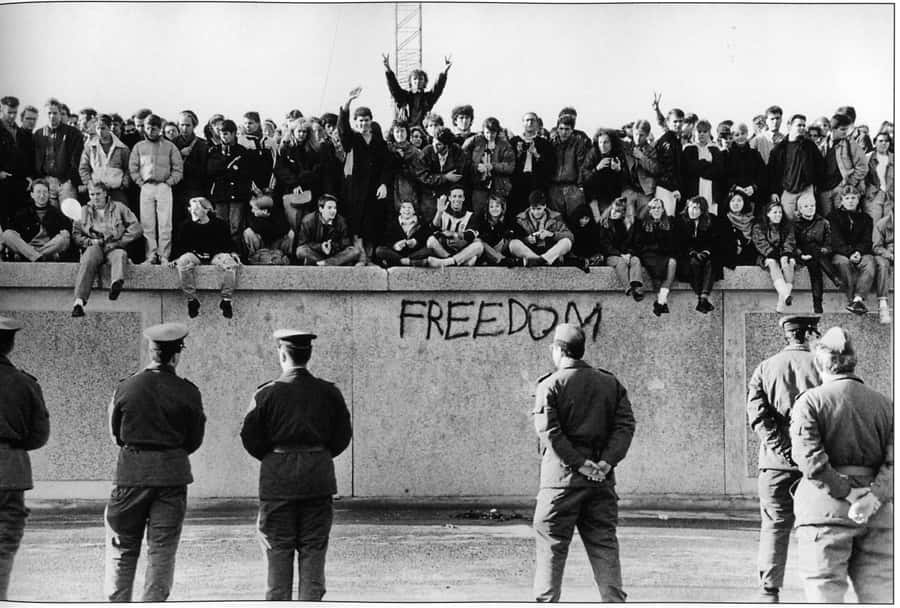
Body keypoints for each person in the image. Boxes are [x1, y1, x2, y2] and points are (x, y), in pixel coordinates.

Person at [240, 330, 352, 601]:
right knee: (314, 553)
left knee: (277, 554)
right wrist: (316, 456)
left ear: (282, 354)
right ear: (309, 354)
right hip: (318, 478)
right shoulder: (329, 393)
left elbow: (250, 438)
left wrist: (277, 458)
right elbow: (342, 437)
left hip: (278, 481)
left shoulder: (265, 394)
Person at [532, 322, 635, 602]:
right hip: (600, 482)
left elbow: (550, 433)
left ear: (559, 350)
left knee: (551, 547)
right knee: (604, 546)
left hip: (560, 483)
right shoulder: (610, 383)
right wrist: (606, 463)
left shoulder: (549, 385)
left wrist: (578, 464)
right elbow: (625, 426)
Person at [790, 327, 893, 603]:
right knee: (881, 594)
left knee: (824, 593)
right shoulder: (886, 405)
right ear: (854, 360)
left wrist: (846, 493)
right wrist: (872, 497)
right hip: (878, 514)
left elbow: (809, 459)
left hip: (824, 512)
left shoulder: (809, 403)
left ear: (819, 363)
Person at [104, 322, 206, 602]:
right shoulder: (189, 392)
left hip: (131, 475)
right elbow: (194, 439)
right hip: (171, 477)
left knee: (122, 549)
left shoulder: (126, 387)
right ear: (177, 354)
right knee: (162, 550)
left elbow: (116, 435)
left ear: (151, 351)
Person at [746, 314, 821, 603]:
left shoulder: (765, 368)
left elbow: (758, 417)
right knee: (818, 527)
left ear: (787, 335)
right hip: (816, 463)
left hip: (775, 464)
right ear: (811, 332)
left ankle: (769, 591)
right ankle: (819, 587)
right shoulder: (825, 366)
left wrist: (784, 450)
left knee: (775, 525)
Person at [0, 316, 50, 601]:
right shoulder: (25, 383)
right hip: (10, 470)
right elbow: (39, 434)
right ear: (11, 344)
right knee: (4, 543)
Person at [71, 181, 142, 318]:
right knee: (89, 257)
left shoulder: (119, 207)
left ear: (105, 194)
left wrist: (120, 242)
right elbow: (76, 235)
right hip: (95, 246)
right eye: (92, 194)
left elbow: (136, 227)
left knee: (120, 255)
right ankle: (79, 302)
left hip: (113, 245)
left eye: (98, 194)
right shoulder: (83, 211)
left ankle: (116, 284)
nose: (95, 197)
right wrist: (90, 241)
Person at [338, 86, 391, 264]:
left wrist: (384, 184)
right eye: (360, 121)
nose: (363, 124)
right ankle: (359, 256)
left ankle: (369, 256)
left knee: (372, 223)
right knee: (356, 225)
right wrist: (348, 103)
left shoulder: (379, 143)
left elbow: (386, 166)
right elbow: (343, 129)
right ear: (356, 122)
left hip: (374, 190)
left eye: (366, 121)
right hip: (355, 191)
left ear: (371, 121)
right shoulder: (352, 139)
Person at [170, 197, 240, 318]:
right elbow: (180, 246)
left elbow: (227, 242)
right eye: (191, 209)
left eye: (197, 208)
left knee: (230, 264)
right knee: (183, 263)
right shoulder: (186, 226)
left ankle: (226, 300)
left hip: (215, 254)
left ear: (207, 210)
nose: (193, 211)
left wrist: (233, 253)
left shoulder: (219, 224)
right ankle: (192, 300)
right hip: (195, 255)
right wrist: (176, 259)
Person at [128, 114, 184, 264]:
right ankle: (150, 255)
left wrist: (169, 182)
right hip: (146, 187)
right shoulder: (139, 147)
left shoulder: (170, 146)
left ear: (160, 129)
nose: (151, 131)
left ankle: (164, 255)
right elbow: (133, 168)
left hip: (163, 186)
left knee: (165, 223)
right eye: (148, 128)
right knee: (147, 223)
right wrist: (140, 182)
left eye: (154, 128)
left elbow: (178, 168)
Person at [828, 186, 875, 315]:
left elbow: (867, 241)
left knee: (870, 262)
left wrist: (858, 252)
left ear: (858, 199)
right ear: (842, 200)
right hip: (841, 252)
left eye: (853, 198)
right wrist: (849, 253)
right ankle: (851, 299)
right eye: (847, 198)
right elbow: (835, 240)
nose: (850, 201)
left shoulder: (866, 218)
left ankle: (858, 298)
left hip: (860, 253)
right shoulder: (833, 217)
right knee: (843, 263)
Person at [766, 114, 822, 222]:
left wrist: (814, 184)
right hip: (787, 191)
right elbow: (772, 173)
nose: (802, 128)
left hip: (806, 189)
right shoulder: (779, 149)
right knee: (788, 221)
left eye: (803, 125)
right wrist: (774, 191)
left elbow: (820, 166)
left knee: (807, 220)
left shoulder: (809, 146)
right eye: (798, 125)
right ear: (789, 126)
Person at [0, 179, 71, 262]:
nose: (42, 195)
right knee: (7, 234)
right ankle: (36, 256)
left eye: (45, 192)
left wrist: (64, 233)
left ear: (48, 194)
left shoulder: (56, 213)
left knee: (65, 237)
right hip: (27, 247)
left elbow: (65, 237)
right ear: (32, 195)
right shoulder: (22, 213)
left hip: (49, 248)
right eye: (38, 192)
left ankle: (34, 256)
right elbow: (13, 235)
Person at [207, 119, 251, 251]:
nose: (223, 137)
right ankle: (221, 253)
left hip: (237, 195)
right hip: (220, 195)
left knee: (236, 227)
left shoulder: (242, 152)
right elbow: (211, 171)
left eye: (226, 133)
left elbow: (245, 174)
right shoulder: (213, 152)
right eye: (221, 133)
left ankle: (236, 253)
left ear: (234, 134)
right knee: (221, 226)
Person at [32, 97, 83, 207]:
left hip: (65, 182)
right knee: (50, 216)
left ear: (60, 113)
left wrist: (70, 180)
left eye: (55, 113)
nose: (52, 116)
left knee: (68, 214)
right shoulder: (39, 134)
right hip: (47, 182)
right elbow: (36, 158)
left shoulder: (73, 133)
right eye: (49, 113)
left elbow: (76, 159)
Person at [273, 118, 323, 230]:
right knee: (293, 225)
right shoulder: (285, 148)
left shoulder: (313, 150)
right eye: (299, 131)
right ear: (293, 131)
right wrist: (294, 183)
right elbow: (280, 169)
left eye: (304, 131)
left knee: (307, 225)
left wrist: (304, 178)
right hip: (290, 192)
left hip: (310, 192)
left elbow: (316, 171)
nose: (301, 134)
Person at [462, 117, 515, 218]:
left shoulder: (504, 145)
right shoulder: (475, 141)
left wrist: (493, 166)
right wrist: (476, 166)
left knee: (498, 215)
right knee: (478, 214)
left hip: (499, 187)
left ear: (497, 132)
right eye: (487, 132)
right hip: (479, 186)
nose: (490, 136)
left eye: (493, 133)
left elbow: (510, 166)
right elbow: (463, 158)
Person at [817, 113, 868, 218]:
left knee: (843, 220)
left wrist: (849, 182)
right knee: (827, 222)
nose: (846, 132)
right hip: (824, 190)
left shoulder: (850, 144)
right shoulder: (822, 144)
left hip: (840, 188)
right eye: (842, 129)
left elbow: (863, 167)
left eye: (847, 129)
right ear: (833, 129)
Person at [675, 196, 719, 313]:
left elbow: (714, 241)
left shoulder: (710, 220)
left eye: (696, 209)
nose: (692, 211)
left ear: (702, 211)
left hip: (705, 254)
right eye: (691, 207)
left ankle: (703, 298)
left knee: (711, 263)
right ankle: (702, 298)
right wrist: (692, 253)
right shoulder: (680, 220)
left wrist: (706, 252)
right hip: (686, 256)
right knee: (693, 263)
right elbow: (678, 243)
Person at [634, 198, 678, 316]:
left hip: (665, 253)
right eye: (653, 208)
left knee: (672, 262)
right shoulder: (642, 224)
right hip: (649, 254)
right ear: (649, 210)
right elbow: (639, 244)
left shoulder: (670, 222)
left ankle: (660, 300)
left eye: (659, 207)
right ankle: (661, 303)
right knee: (657, 268)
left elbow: (674, 243)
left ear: (663, 209)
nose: (656, 210)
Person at [795, 196, 839, 314]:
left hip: (821, 255)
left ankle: (817, 304)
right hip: (803, 256)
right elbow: (794, 245)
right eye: (806, 206)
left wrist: (822, 250)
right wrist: (800, 255)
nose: (810, 208)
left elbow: (829, 243)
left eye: (812, 206)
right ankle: (835, 277)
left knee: (815, 259)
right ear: (800, 209)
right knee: (812, 253)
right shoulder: (795, 225)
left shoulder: (823, 222)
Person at [382, 52, 451, 127]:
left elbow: (438, 88)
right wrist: (388, 69)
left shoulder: (428, 98)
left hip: (422, 131)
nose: (417, 81)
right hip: (406, 130)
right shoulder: (403, 96)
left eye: (421, 79)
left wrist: (444, 71)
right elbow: (394, 86)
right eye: (415, 79)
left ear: (425, 82)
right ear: (410, 82)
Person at [751, 201, 797, 313]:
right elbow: (760, 243)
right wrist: (772, 253)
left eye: (780, 212)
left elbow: (790, 241)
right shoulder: (759, 227)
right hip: (766, 254)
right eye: (775, 212)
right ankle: (786, 294)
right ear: (768, 214)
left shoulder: (787, 226)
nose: (778, 215)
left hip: (784, 254)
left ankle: (783, 300)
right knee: (772, 262)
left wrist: (785, 254)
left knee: (789, 261)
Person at [508, 190, 573, 267]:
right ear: (529, 207)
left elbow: (570, 236)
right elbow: (516, 238)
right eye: (533, 209)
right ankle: (540, 260)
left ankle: (541, 260)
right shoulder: (521, 219)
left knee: (567, 242)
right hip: (529, 251)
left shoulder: (555, 217)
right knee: (513, 244)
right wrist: (527, 240)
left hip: (550, 251)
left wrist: (551, 235)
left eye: (539, 209)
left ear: (545, 206)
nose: (535, 212)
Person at [419, 126, 469, 224]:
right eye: (433, 142)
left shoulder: (457, 152)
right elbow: (423, 177)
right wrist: (445, 177)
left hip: (450, 193)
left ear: (447, 146)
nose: (434, 146)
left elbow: (458, 176)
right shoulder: (426, 152)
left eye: (439, 145)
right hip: (430, 193)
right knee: (430, 221)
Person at [597, 197, 644, 301]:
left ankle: (637, 287)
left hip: (627, 254)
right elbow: (605, 246)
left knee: (636, 260)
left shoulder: (630, 225)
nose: (613, 212)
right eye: (613, 209)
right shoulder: (605, 223)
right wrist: (621, 254)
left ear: (623, 213)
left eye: (617, 211)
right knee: (621, 262)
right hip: (611, 256)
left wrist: (629, 254)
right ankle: (628, 288)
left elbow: (636, 244)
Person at [79, 114, 131, 204]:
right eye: (98, 128)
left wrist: (124, 182)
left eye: (103, 128)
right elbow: (83, 167)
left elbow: (128, 168)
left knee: (120, 212)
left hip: (116, 190)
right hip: (96, 191)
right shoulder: (90, 147)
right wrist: (89, 183)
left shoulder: (122, 148)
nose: (100, 132)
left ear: (109, 128)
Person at [295, 194, 361, 266]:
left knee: (355, 251)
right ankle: (329, 263)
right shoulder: (308, 221)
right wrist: (321, 247)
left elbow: (345, 243)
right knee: (300, 251)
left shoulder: (341, 221)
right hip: (317, 253)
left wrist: (332, 247)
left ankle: (325, 263)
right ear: (321, 209)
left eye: (335, 208)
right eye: (329, 208)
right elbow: (303, 243)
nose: (333, 211)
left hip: (335, 254)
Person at [509, 113, 555, 215]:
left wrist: (536, 154)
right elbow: (509, 164)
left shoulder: (544, 143)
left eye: (532, 120)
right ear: (523, 123)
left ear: (537, 123)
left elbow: (550, 166)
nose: (529, 123)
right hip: (518, 183)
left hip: (536, 184)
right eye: (527, 120)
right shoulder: (514, 141)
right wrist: (519, 154)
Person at [424, 189, 483, 267]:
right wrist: (439, 212)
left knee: (479, 245)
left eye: (460, 196)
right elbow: (433, 229)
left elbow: (471, 234)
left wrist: (455, 235)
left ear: (463, 198)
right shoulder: (442, 212)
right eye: (454, 196)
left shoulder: (470, 215)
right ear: (450, 198)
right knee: (430, 241)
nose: (457, 199)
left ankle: (448, 262)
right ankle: (457, 260)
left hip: (463, 249)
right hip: (445, 250)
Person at [172, 110, 209, 229]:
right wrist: (179, 154)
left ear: (194, 126)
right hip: (176, 189)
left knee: (195, 220)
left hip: (194, 189)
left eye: (188, 125)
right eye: (182, 125)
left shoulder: (202, 144)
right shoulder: (172, 144)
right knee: (176, 220)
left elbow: (204, 169)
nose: (184, 128)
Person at [548, 114, 587, 222]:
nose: (564, 132)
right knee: (556, 220)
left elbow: (581, 165)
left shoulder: (578, 143)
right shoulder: (552, 143)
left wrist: (580, 186)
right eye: (561, 129)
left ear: (572, 130)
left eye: (567, 129)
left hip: (572, 187)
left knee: (575, 219)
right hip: (554, 187)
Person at [681, 120, 726, 215]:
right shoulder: (689, 149)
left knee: (710, 217)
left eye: (705, 132)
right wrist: (708, 164)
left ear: (709, 133)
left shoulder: (715, 150)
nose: (702, 134)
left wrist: (699, 165)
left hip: (710, 190)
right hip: (694, 190)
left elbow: (718, 171)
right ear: (694, 133)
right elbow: (689, 169)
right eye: (699, 131)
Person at [580, 130, 626, 221]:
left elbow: (626, 179)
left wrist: (618, 170)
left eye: (606, 142)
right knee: (598, 222)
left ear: (612, 143)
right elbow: (584, 177)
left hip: (612, 196)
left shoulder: (619, 154)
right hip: (594, 196)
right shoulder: (592, 154)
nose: (603, 146)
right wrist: (597, 169)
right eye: (600, 142)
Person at [620, 119, 658, 226]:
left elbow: (655, 169)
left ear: (647, 135)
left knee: (643, 220)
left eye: (641, 135)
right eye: (636, 134)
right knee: (628, 221)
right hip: (628, 189)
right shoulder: (627, 146)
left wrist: (641, 157)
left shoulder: (651, 150)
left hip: (645, 191)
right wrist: (623, 132)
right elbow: (610, 135)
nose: (638, 137)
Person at [374, 200, 432, 267]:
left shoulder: (421, 222)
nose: (406, 210)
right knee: (379, 250)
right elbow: (386, 240)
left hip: (414, 253)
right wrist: (395, 246)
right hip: (397, 254)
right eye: (403, 207)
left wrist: (415, 242)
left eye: (409, 207)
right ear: (400, 211)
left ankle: (398, 262)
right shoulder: (393, 223)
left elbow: (426, 236)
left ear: (414, 211)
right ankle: (408, 262)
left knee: (429, 250)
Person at [724, 123, 767, 213]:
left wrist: (754, 187)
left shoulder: (754, 154)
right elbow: (723, 176)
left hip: (753, 198)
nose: (740, 137)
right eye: (737, 135)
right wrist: (735, 187)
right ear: (732, 137)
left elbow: (763, 175)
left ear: (747, 134)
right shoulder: (726, 155)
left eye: (743, 133)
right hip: (733, 199)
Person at [652, 106, 685, 217]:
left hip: (669, 187)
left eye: (680, 121)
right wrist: (674, 188)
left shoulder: (674, 139)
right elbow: (667, 168)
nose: (678, 124)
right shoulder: (668, 142)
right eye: (675, 121)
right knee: (666, 220)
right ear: (668, 122)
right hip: (666, 188)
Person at [242, 194, 293, 265]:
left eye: (254, 208)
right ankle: (255, 257)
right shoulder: (254, 216)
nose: (252, 210)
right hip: (261, 246)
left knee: (291, 234)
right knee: (248, 232)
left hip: (276, 245)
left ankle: (285, 257)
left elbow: (284, 228)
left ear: (265, 211)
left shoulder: (278, 215)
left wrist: (268, 222)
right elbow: (254, 226)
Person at [471, 195, 517, 266]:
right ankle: (500, 259)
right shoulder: (482, 219)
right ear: (488, 209)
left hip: (501, 249)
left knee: (510, 240)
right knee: (478, 241)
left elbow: (515, 233)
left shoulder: (507, 219)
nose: (494, 209)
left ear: (502, 208)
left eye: (497, 206)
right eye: (491, 207)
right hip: (486, 251)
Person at [720, 188, 759, 269]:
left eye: (739, 201)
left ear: (744, 203)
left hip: (750, 260)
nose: (736, 203)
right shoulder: (723, 220)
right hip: (731, 260)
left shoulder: (752, 220)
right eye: (733, 201)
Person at [863, 131, 893, 226]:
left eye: (886, 141)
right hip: (873, 195)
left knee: (889, 225)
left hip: (890, 196)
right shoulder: (867, 158)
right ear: (875, 142)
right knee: (874, 224)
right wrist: (868, 192)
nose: (884, 143)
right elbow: (862, 177)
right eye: (880, 141)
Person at [872, 209, 893, 324]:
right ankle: (883, 305)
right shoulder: (882, 224)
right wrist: (890, 255)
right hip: (886, 255)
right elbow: (876, 247)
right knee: (882, 264)